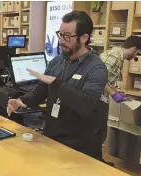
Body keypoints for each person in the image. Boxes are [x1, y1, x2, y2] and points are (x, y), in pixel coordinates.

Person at [7, 11, 108, 161]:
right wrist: (21, 101)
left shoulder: (96, 68)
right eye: (60, 34)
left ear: (84, 38)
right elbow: (39, 93)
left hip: (79, 147)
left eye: (67, 36)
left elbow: (85, 105)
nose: (61, 41)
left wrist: (55, 82)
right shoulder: (57, 61)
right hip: (52, 138)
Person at [101, 35, 141, 103]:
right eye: (137, 53)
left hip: (102, 98)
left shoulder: (119, 57)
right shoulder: (114, 56)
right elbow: (98, 78)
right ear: (133, 49)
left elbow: (108, 79)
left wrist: (116, 92)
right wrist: (113, 94)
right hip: (96, 98)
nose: (135, 56)